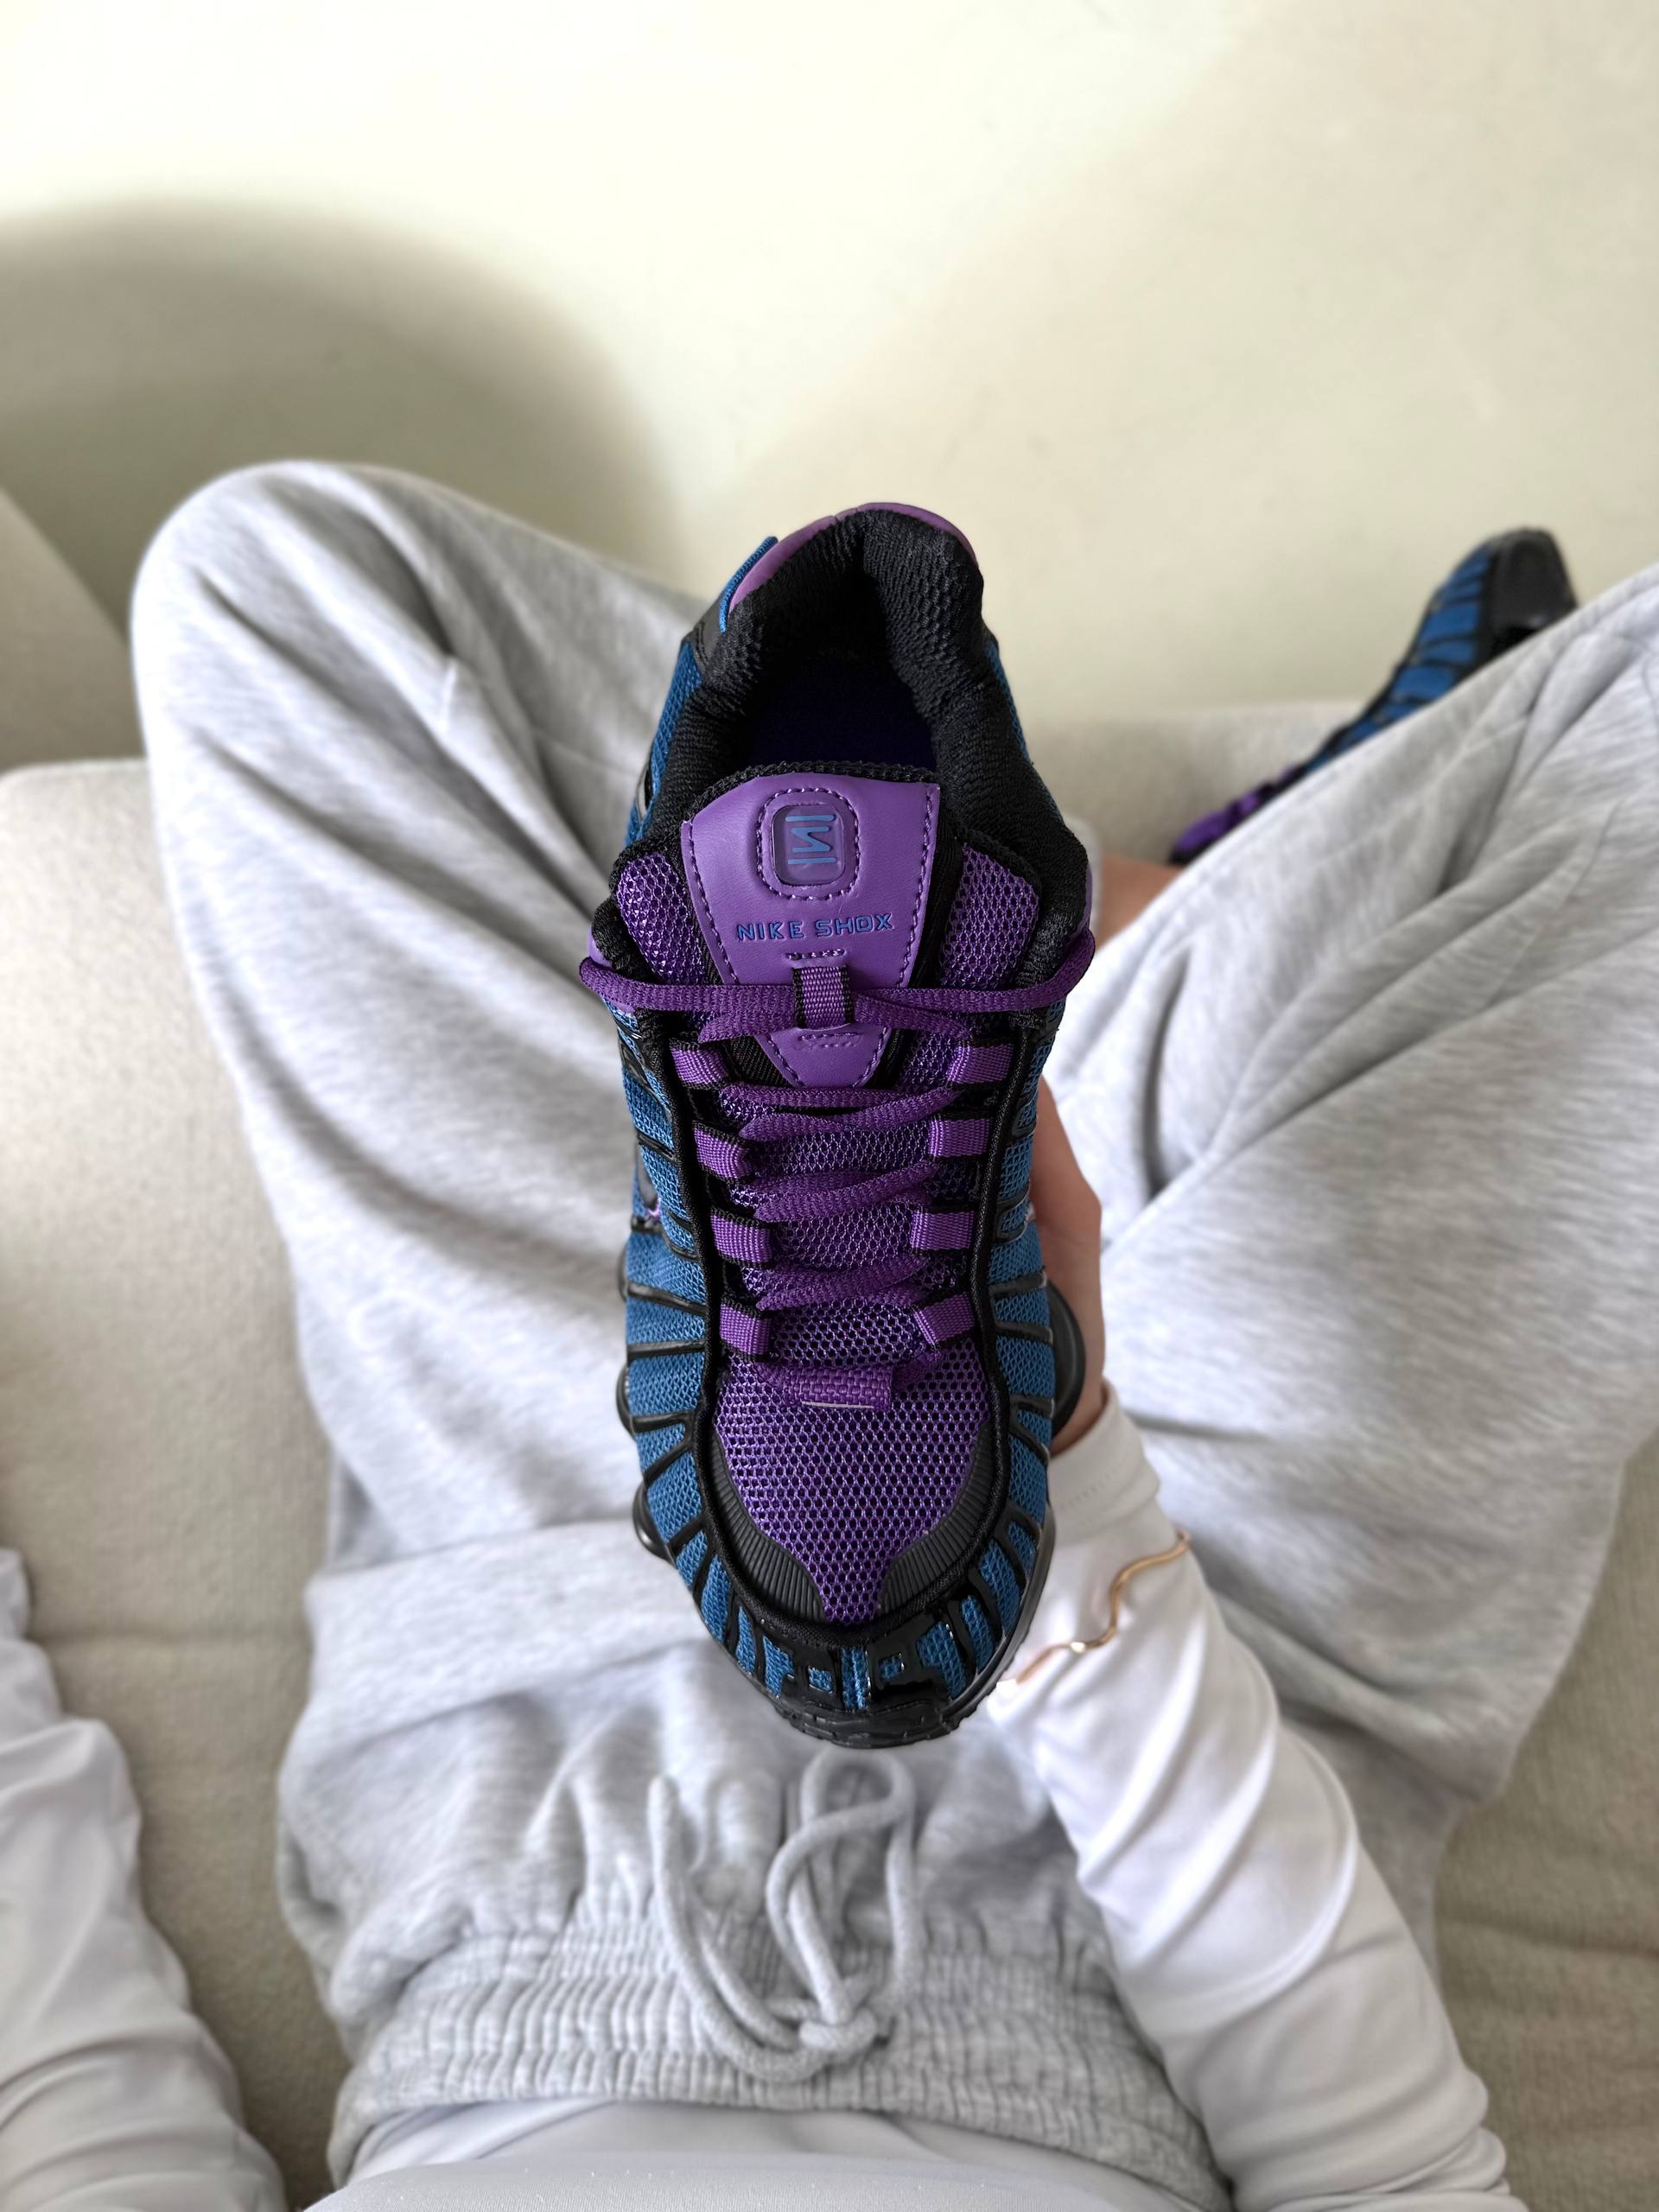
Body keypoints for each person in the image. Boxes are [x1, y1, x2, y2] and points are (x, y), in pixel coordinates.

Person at [2, 465, 1656, 2212]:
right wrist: (1076, 1467)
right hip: (1201, 1649)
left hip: (558, 1692)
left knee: (276, 586)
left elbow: (72, 2112)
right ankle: (1066, 956)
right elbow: (1392, 2176)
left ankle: (1065, 952)